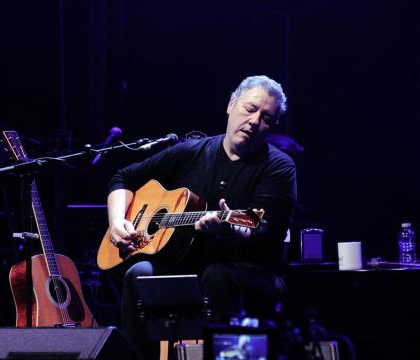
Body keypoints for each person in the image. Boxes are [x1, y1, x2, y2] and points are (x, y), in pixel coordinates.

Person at [106, 75, 297, 359]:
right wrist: (117, 220)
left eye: (266, 117)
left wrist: (229, 228)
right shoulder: (191, 152)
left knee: (217, 275)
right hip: (187, 266)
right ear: (231, 104)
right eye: (250, 108)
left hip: (253, 272)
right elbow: (123, 177)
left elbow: (264, 228)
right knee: (139, 274)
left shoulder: (279, 167)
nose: (255, 120)